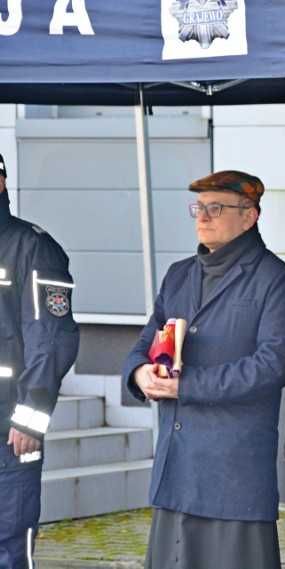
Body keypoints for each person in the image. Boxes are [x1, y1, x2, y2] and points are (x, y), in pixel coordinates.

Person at [123, 171, 285, 569]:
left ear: (249, 216)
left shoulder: (276, 279)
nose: (203, 216)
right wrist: (140, 375)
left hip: (232, 475)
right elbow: (143, 346)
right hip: (177, 468)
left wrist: (188, 386)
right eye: (199, 208)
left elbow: (274, 364)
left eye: (216, 208)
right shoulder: (179, 274)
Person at [0, 152, 80, 567]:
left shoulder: (33, 246)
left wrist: (31, 415)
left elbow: (51, 339)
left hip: (9, 432)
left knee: (9, 541)